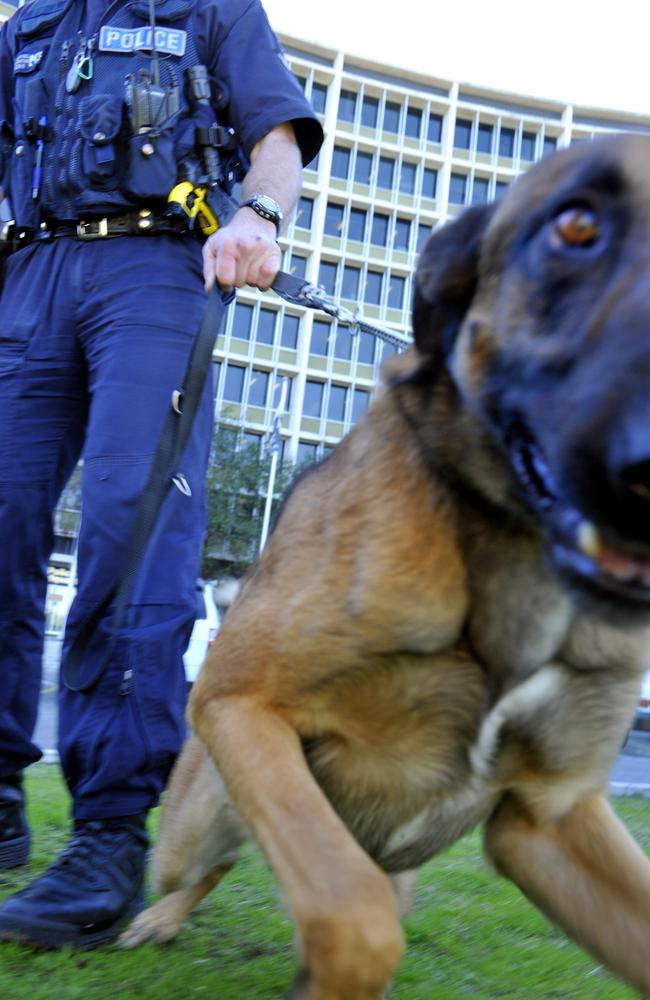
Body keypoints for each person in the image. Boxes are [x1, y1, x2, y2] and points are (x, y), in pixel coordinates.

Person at [0, 0, 322, 948]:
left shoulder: (213, 5)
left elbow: (276, 137)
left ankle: (108, 833)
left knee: (128, 531)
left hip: (156, 267)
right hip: (27, 277)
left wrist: (258, 215)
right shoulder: (26, 26)